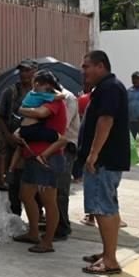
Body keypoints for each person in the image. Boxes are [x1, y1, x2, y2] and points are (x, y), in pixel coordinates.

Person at [79, 50, 130, 276]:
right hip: (108, 159)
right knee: (109, 206)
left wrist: (93, 154)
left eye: (86, 66)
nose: (84, 71)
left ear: (100, 66)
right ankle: (107, 252)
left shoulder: (109, 88)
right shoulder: (107, 87)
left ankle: (110, 260)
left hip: (104, 161)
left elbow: (106, 120)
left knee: (103, 208)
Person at [11, 70, 68, 254]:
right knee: (26, 195)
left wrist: (20, 110)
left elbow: (41, 114)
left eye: (38, 84)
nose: (35, 87)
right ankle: (34, 232)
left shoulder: (54, 101)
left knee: (48, 200)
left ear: (48, 85)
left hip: (47, 157)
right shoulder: (41, 99)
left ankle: (48, 241)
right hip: (32, 154)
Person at [0, 59, 37, 214]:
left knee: (34, 182)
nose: (23, 74)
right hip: (13, 145)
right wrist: (8, 137)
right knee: (13, 181)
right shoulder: (10, 92)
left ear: (35, 72)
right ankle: (15, 214)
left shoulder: (41, 93)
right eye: (21, 71)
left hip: (34, 145)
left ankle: (36, 215)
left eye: (27, 70)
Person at [54, 84, 80, 241]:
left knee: (60, 190)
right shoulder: (51, 97)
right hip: (54, 146)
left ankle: (62, 227)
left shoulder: (68, 98)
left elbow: (62, 125)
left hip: (65, 147)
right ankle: (55, 221)